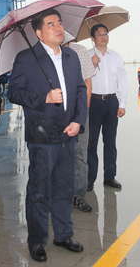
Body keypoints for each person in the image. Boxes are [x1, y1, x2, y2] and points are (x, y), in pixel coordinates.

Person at [7, 9, 87, 263]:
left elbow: (81, 90)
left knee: (65, 188)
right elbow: (14, 92)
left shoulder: (71, 57)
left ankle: (64, 235)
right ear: (39, 33)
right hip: (42, 136)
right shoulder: (27, 58)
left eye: (59, 23)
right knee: (39, 191)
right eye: (51, 24)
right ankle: (37, 241)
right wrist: (44, 98)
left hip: (68, 134)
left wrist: (78, 121)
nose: (58, 27)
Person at [87, 23, 128, 191]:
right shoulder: (87, 56)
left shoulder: (116, 57)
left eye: (105, 33)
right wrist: (91, 64)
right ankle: (89, 179)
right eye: (99, 34)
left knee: (110, 142)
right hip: (94, 102)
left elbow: (122, 80)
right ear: (92, 38)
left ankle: (110, 177)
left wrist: (122, 103)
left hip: (112, 102)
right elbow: (80, 79)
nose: (103, 36)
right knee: (91, 143)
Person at [63, 40, 95, 212]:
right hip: (57, 112)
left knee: (80, 153)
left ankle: (78, 195)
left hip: (79, 111)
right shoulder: (45, 53)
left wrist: (84, 108)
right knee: (56, 154)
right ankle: (56, 195)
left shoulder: (80, 51)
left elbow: (88, 82)